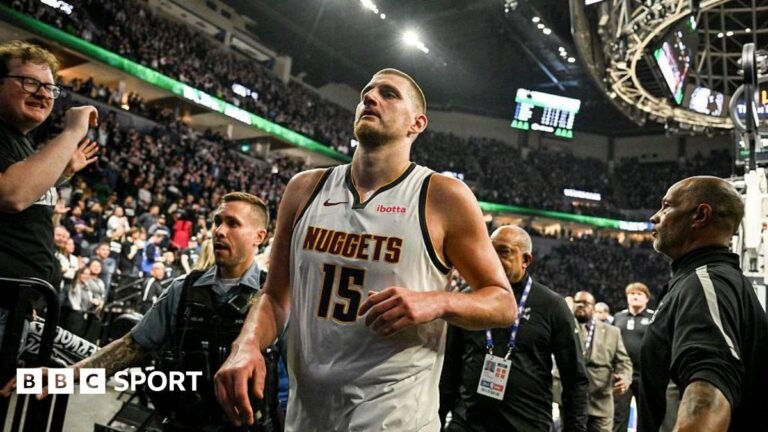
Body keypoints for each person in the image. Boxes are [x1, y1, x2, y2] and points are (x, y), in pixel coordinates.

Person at [214, 68, 516, 431]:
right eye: (366, 93)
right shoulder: (304, 189)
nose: (370, 98)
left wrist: (438, 302)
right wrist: (247, 344)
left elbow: (503, 302)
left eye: (388, 94)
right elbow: (275, 297)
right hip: (308, 414)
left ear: (417, 123)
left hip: (395, 417)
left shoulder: (442, 196)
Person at [1, 192, 272, 431]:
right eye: (217, 222)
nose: (219, 231)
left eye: (233, 223)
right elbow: (132, 346)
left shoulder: (273, 299)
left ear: (259, 237)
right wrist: (68, 374)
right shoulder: (183, 290)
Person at [639, 176, 768, 432]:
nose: (655, 216)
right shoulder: (712, 281)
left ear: (700, 215)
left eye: (666, 206)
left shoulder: (705, 284)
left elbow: (709, 386)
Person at [440, 225, 588, 431]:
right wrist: (438, 418)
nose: (493, 259)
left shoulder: (551, 305)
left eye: (504, 252)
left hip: (526, 424)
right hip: (467, 422)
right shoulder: (467, 299)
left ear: (526, 260)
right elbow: (449, 368)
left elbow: (574, 378)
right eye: (490, 251)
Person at [0, 40, 98, 353]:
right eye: (29, 82)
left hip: (16, 306)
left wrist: (62, 172)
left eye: (50, 88)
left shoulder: (22, 143)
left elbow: (24, 203)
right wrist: (72, 133)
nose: (43, 94)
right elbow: (12, 195)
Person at [573, 290, 632, 432]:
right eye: (577, 302)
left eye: (585, 303)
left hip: (601, 398)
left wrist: (624, 378)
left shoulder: (612, 332)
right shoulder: (564, 327)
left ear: (593, 308)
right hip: (572, 398)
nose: (580, 305)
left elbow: (624, 362)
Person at [612, 282, 654, 432]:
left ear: (646, 299)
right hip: (622, 374)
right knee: (619, 416)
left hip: (646, 374)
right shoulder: (618, 317)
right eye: (632, 294)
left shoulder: (654, 317)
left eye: (639, 294)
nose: (635, 296)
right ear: (627, 297)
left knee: (646, 416)